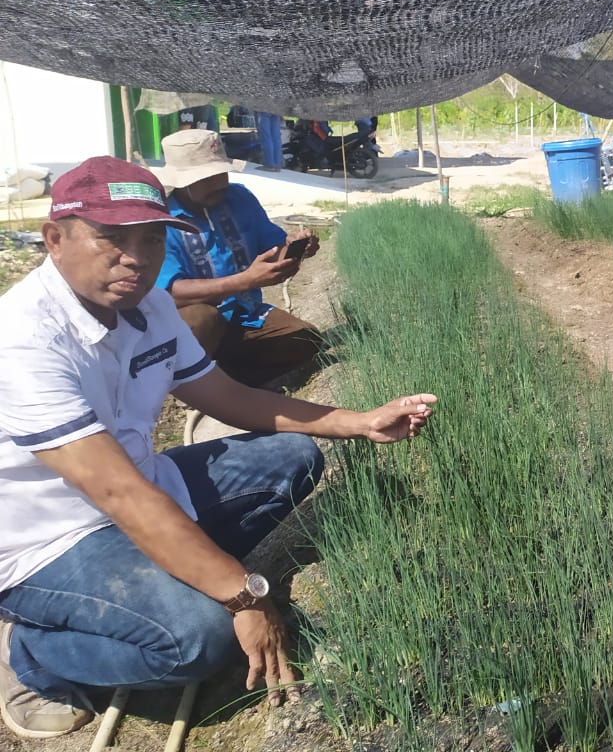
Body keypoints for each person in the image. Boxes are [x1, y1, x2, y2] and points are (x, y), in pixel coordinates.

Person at [0, 156, 435, 740]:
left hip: (144, 487)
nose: (136, 255)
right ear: (55, 239)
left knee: (294, 458)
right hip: (49, 541)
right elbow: (117, 494)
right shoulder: (23, 342)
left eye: (152, 237)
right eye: (113, 237)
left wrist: (358, 421)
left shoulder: (147, 303)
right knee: (201, 638)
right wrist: (244, 595)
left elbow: (222, 394)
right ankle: (37, 654)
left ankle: (174, 573)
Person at [153, 129, 323, 387]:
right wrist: (244, 281)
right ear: (183, 182)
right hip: (192, 323)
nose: (219, 182)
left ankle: (226, 382)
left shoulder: (239, 198)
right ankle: (190, 386)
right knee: (202, 319)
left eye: (221, 172)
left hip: (245, 313)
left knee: (306, 339)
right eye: (207, 177)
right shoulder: (161, 221)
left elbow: (273, 250)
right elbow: (172, 292)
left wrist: (294, 249)